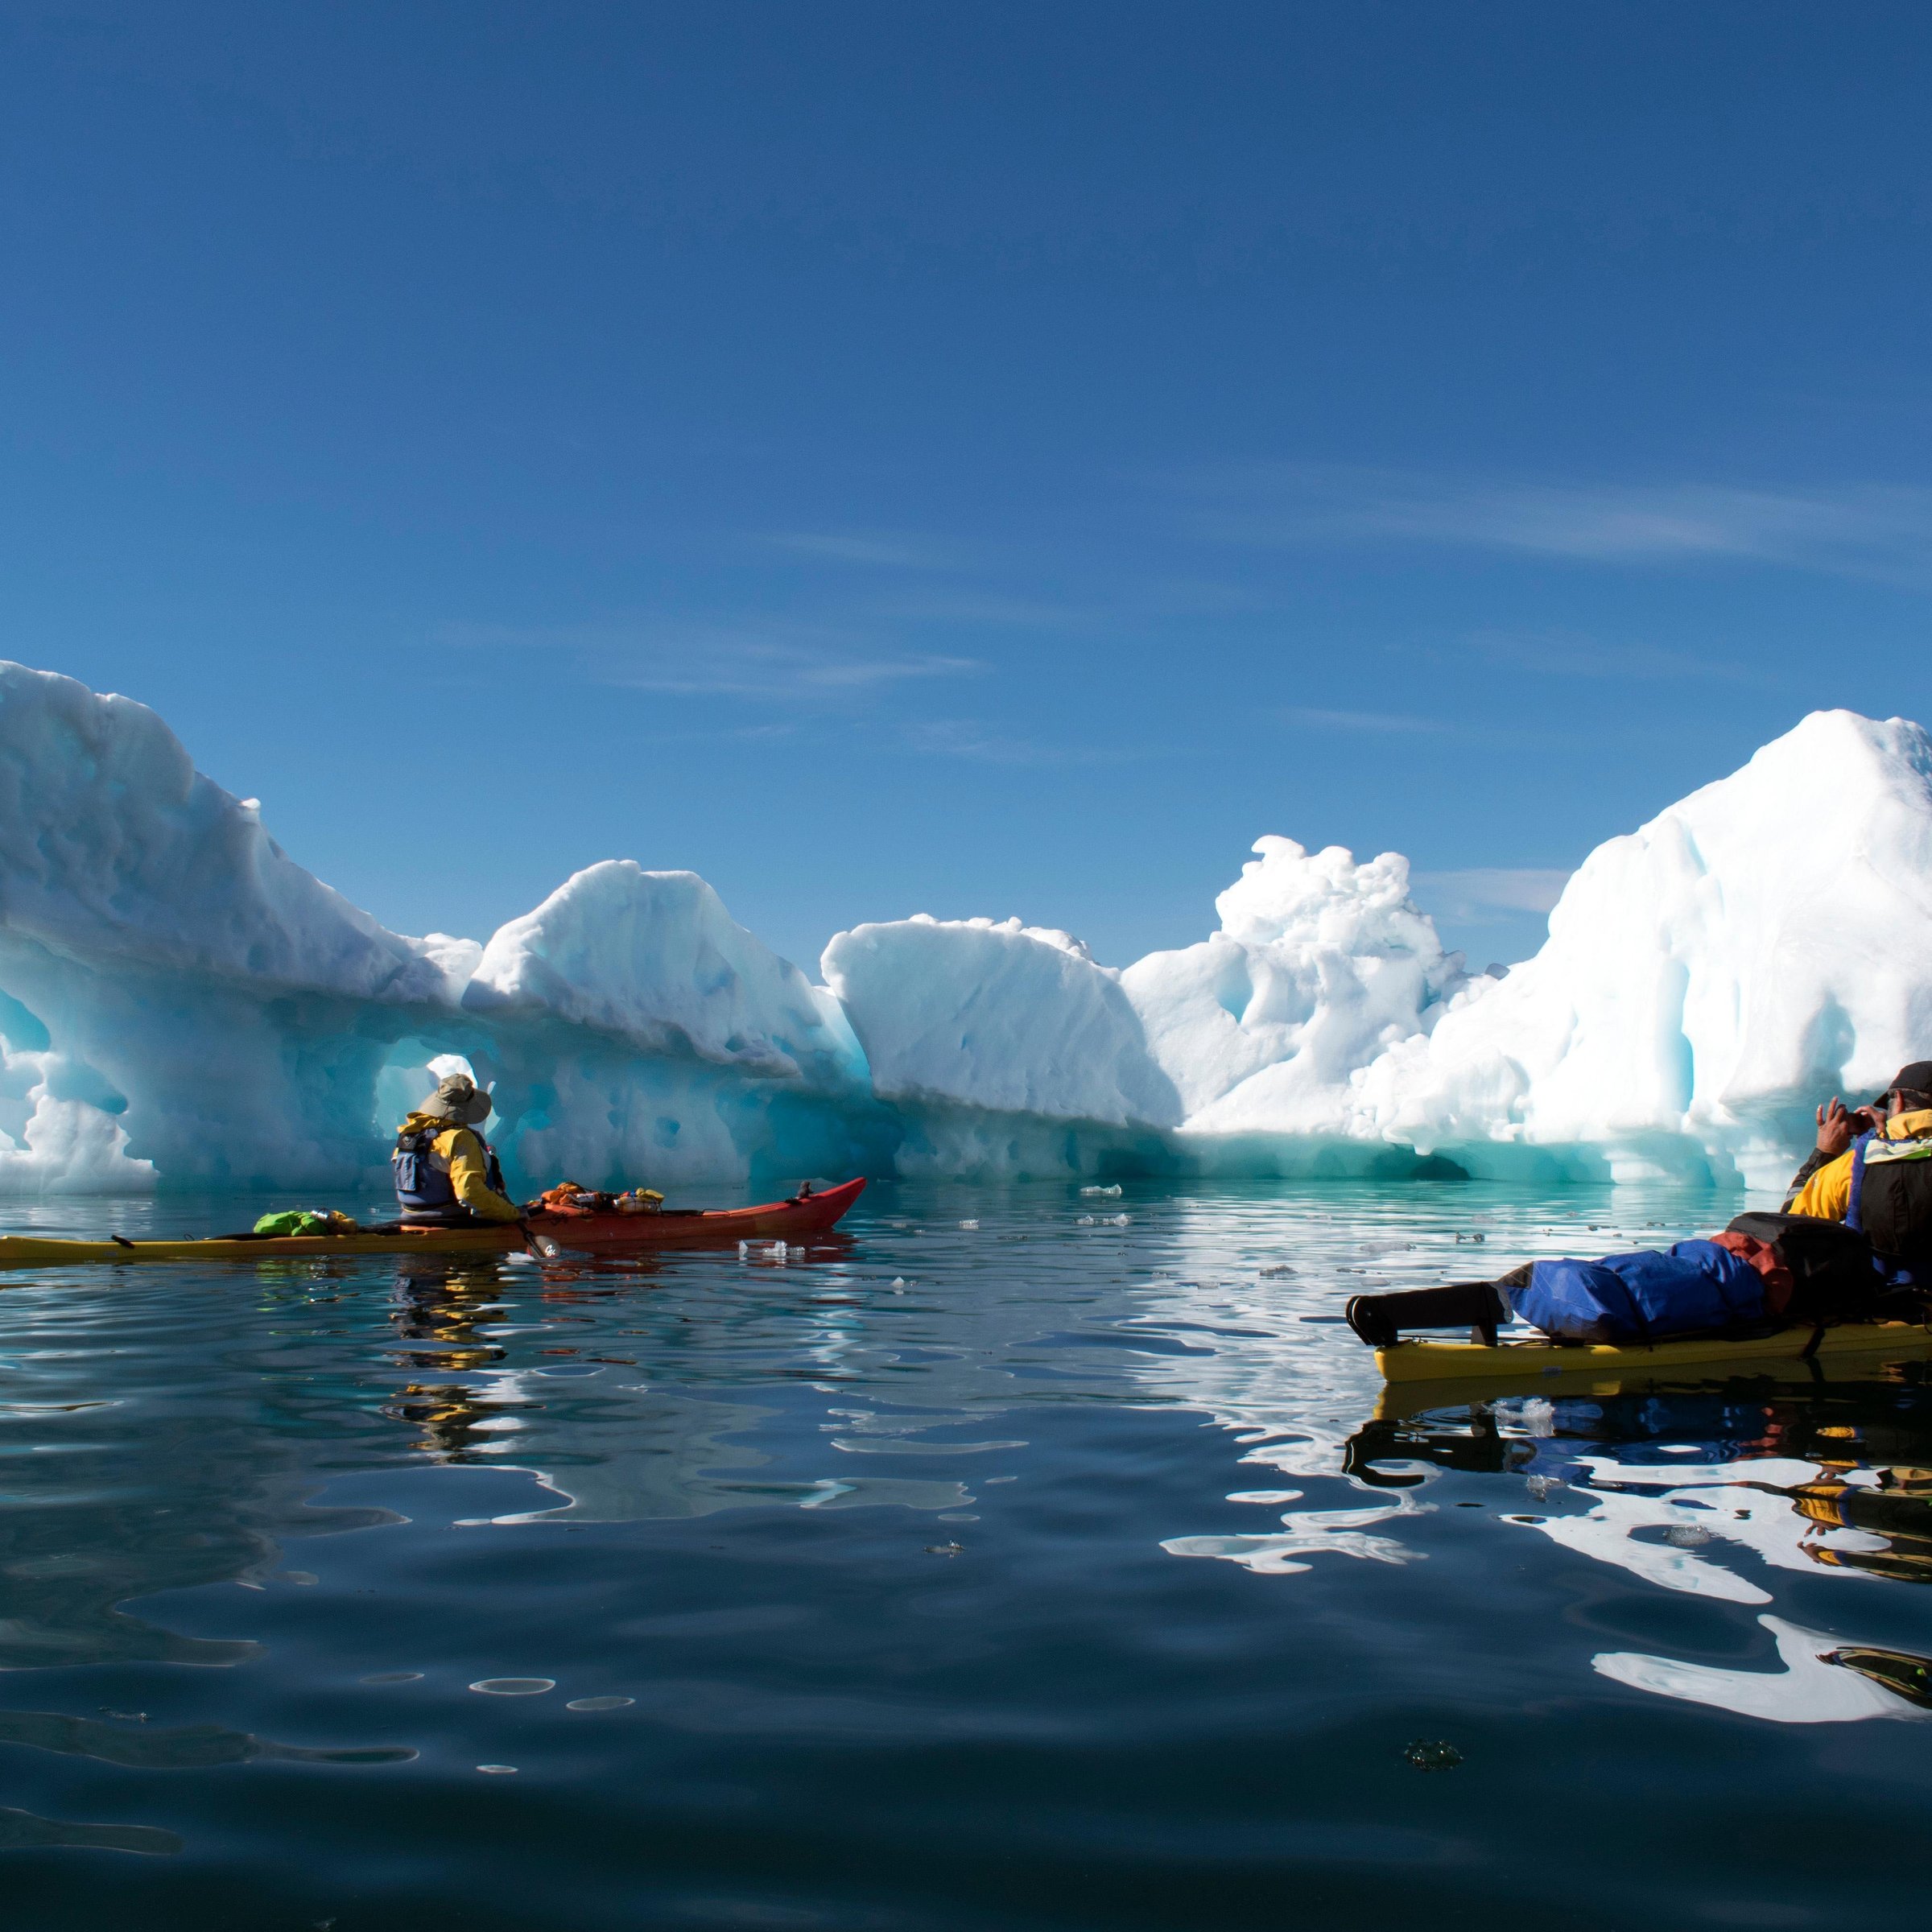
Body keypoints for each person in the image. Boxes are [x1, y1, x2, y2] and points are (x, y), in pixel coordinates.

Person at [392, 1073, 522, 1226]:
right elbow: (469, 1192)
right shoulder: (460, 1138)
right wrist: (512, 1214)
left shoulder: (410, 1133)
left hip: (410, 1216)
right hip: (451, 1219)